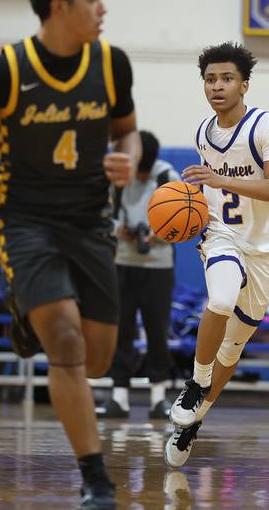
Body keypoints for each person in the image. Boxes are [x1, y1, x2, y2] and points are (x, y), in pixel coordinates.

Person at [0, 0, 139, 508]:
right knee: (65, 343)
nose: (103, 7)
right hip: (26, 221)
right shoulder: (5, 71)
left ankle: (28, 312)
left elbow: (127, 131)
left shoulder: (112, 64)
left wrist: (127, 156)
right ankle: (96, 479)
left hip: (91, 221)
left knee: (97, 359)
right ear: (59, 6)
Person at [164, 42, 269, 467]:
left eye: (226, 79)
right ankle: (196, 383)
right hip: (221, 235)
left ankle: (193, 423)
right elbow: (210, 187)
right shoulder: (204, 132)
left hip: (266, 248)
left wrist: (220, 178)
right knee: (219, 298)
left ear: (244, 84)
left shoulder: (267, 126)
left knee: (232, 351)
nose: (217, 87)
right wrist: (186, 204)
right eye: (210, 79)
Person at [97, 130, 178, 420]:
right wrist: (120, 230)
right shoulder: (118, 177)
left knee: (158, 331)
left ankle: (159, 397)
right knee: (121, 331)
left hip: (158, 265)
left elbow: (183, 220)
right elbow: (104, 214)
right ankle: (119, 397)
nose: (141, 177)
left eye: (144, 172)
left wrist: (158, 233)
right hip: (122, 262)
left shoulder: (168, 176)